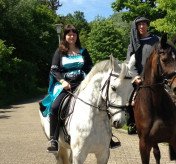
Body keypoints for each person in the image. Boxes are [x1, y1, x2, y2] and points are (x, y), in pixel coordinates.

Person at [40, 24, 120, 153]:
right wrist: (62, 81)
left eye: (74, 34)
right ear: (65, 36)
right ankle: (54, 140)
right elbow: (54, 70)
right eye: (69, 34)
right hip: (66, 86)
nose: (71, 36)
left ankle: (109, 137)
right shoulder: (59, 52)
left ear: (77, 36)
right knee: (55, 107)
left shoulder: (83, 51)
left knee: (103, 103)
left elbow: (90, 68)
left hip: (83, 85)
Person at [126, 16, 176, 134]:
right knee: (128, 96)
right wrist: (135, 76)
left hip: (159, 76)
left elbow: (168, 52)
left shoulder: (156, 39)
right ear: (136, 27)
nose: (141, 26)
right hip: (140, 77)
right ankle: (132, 122)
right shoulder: (133, 44)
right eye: (139, 24)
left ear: (147, 25)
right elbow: (129, 62)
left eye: (144, 24)